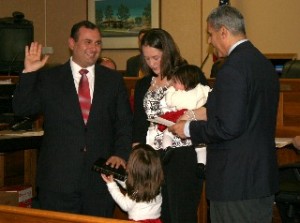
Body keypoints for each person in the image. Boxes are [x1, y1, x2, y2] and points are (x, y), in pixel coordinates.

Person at [169, 5, 279, 223]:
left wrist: (187, 129)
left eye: (210, 34)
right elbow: (242, 112)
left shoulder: (232, 69)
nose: (209, 41)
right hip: (258, 179)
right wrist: (201, 113)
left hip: (235, 182)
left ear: (223, 32)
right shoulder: (263, 64)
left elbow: (228, 127)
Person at [12, 20, 133, 217]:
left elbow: (125, 123)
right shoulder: (51, 78)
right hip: (58, 182)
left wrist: (120, 154)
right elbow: (22, 108)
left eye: (98, 43)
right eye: (87, 42)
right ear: (71, 43)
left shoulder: (113, 80)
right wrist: (29, 73)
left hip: (99, 182)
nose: (93, 48)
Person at [133, 28, 206, 223]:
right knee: (156, 215)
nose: (152, 63)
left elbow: (209, 110)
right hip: (153, 158)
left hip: (183, 155)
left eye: (156, 57)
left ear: (168, 51)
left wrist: (184, 117)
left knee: (180, 214)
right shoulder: (143, 85)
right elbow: (139, 125)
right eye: (147, 59)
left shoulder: (189, 74)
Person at [156, 64, 211, 169]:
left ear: (185, 83)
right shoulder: (202, 89)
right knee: (201, 145)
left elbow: (169, 101)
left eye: (175, 82)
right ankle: (202, 164)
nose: (174, 85)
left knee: (167, 132)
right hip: (198, 123)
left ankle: (167, 148)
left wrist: (171, 90)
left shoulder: (178, 95)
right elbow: (210, 94)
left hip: (182, 119)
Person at [101, 144, 164, 223]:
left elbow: (125, 205)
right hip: (156, 220)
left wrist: (111, 185)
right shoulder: (155, 182)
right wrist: (117, 178)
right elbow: (132, 184)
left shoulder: (136, 190)